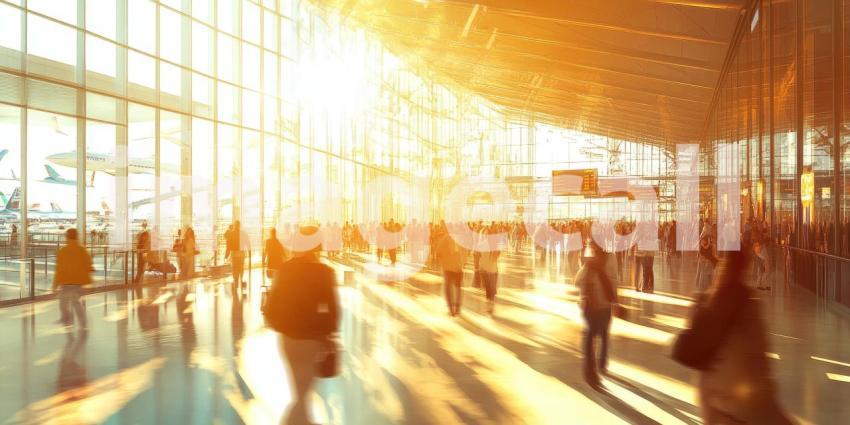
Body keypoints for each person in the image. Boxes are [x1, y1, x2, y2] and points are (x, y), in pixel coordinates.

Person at [696, 251, 793, 424]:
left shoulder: (705, 303)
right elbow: (759, 352)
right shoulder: (747, 305)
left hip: (713, 398)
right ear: (744, 270)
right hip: (740, 400)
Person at [264, 226, 340, 425]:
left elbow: (271, 305)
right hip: (311, 340)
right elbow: (332, 309)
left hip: (288, 339)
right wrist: (328, 335)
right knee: (302, 394)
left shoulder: (285, 269)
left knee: (300, 391)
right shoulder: (324, 272)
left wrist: (278, 323)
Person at [576, 241, 618, 389]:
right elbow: (614, 280)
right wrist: (615, 301)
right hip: (605, 304)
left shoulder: (589, 260)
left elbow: (577, 280)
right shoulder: (611, 258)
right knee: (604, 334)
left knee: (589, 338)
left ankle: (590, 371)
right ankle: (602, 363)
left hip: (590, 305)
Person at [52, 228, 92, 328]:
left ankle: (67, 319)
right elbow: (88, 265)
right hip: (78, 283)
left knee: (63, 303)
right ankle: (83, 323)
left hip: (65, 283)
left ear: (66, 237)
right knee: (76, 303)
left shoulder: (62, 251)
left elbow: (59, 270)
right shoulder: (82, 250)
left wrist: (55, 285)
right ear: (77, 236)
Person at [436, 224, 467, 316]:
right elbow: (464, 252)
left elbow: (438, 252)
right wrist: (462, 263)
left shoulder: (444, 240)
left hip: (448, 268)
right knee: (458, 288)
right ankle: (457, 308)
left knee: (448, 289)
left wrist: (442, 261)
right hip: (458, 267)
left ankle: (451, 309)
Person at [478, 225, 501, 315]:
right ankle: (490, 304)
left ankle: (490, 304)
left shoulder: (482, 244)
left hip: (489, 270)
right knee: (490, 289)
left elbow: (479, 256)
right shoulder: (493, 245)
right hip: (489, 270)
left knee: (490, 289)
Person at [229, 221, 250, 287]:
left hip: (234, 253)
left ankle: (235, 279)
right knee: (241, 267)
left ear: (235, 226)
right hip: (241, 253)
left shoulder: (231, 233)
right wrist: (249, 252)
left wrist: (227, 253)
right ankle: (241, 278)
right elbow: (247, 242)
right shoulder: (243, 233)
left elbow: (229, 245)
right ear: (239, 226)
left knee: (234, 267)